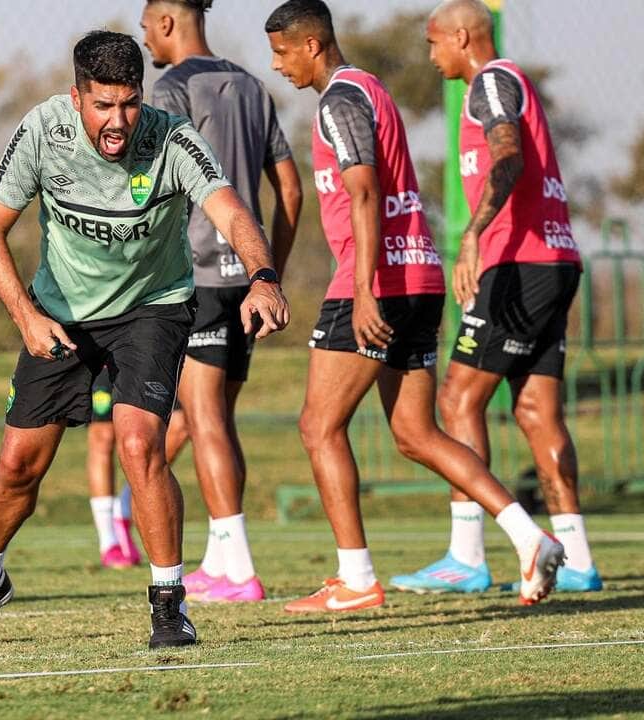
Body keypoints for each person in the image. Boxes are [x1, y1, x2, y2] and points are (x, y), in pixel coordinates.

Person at [0, 31, 289, 650]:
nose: (118, 121)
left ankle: (169, 602)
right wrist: (27, 318)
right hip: (61, 312)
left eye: (129, 103)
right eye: (102, 106)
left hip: (153, 308)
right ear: (76, 97)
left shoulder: (171, 137)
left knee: (139, 444)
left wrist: (264, 276)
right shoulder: (43, 131)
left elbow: (231, 211)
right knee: (17, 466)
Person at [265, 0, 563, 614]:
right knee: (416, 432)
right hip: (420, 274)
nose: (278, 66)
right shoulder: (372, 89)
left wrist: (366, 286)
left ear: (312, 45)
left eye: (281, 52)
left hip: (376, 284)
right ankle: (529, 537)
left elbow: (366, 192)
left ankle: (355, 577)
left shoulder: (340, 100)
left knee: (318, 427)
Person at [392, 0, 602, 596]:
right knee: (537, 412)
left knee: (458, 399)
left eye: (435, 42)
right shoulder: (513, 82)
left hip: (519, 263)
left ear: (462, 36)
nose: (431, 55)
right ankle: (580, 561)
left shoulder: (488, 83)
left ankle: (467, 555)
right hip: (557, 260)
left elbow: (506, 157)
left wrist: (473, 233)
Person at [140, 0, 302, 602]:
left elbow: (156, 187)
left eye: (145, 26)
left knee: (203, 419)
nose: (146, 38)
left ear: (165, 23)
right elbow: (288, 186)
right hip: (244, 279)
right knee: (219, 421)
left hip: (200, 276)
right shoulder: (252, 84)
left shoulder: (170, 88)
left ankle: (238, 570)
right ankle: (221, 557)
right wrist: (269, 274)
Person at [87, 366, 141, 568]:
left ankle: (124, 502)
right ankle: (108, 540)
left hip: (146, 349)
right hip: (103, 356)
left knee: (180, 423)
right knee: (103, 436)